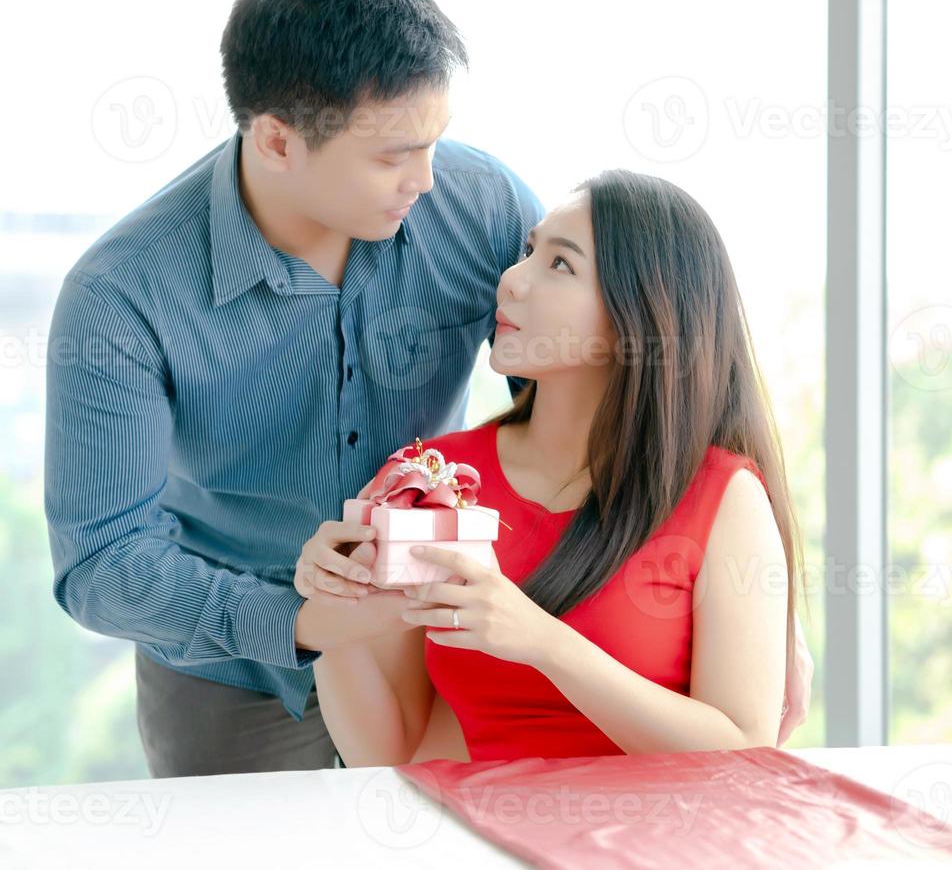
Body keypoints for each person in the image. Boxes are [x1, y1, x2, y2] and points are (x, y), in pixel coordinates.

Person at [295, 170, 807, 763]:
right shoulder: (435, 478)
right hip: (485, 841)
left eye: (560, 265)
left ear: (636, 317)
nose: (511, 280)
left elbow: (742, 754)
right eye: (528, 252)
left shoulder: (724, 496)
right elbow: (390, 752)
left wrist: (541, 641)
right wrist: (338, 614)